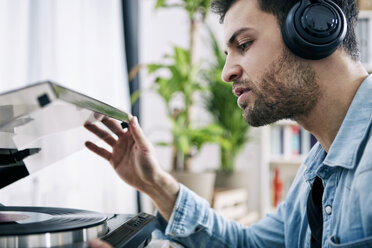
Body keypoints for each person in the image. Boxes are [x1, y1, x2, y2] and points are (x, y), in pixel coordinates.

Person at [87, 0, 372, 247]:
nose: (226, 73)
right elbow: (252, 244)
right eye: (228, 53)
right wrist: (155, 183)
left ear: (315, 27)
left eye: (244, 45)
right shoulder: (316, 167)